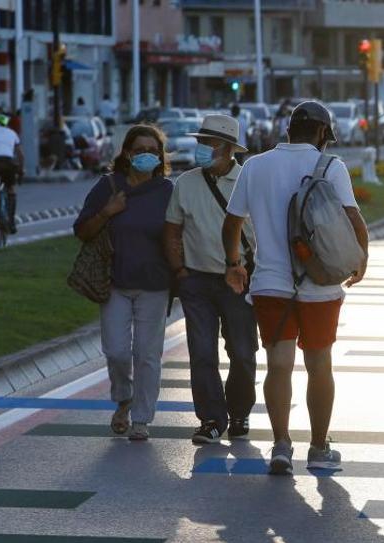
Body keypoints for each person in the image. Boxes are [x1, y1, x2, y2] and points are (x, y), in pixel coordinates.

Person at [222, 100, 368, 474]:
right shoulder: (330, 166)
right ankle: (318, 448)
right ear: (323, 134)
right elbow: (353, 219)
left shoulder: (255, 166)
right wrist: (360, 259)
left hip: (270, 283)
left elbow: (232, 223)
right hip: (319, 283)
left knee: (279, 365)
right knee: (319, 365)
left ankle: (281, 445)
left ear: (287, 131)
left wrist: (234, 264)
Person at [73, 125, 175, 442]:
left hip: (155, 285)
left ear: (160, 157)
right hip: (114, 282)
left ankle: (141, 418)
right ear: (127, 153)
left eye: (152, 151)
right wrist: (107, 211)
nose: (146, 155)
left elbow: (179, 233)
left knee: (147, 354)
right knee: (116, 351)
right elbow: (83, 230)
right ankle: (123, 399)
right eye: (140, 150)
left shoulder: (167, 191)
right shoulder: (109, 186)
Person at [163, 114, 259, 444]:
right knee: (202, 352)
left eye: (211, 143)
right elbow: (172, 230)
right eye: (201, 142)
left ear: (230, 149)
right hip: (197, 282)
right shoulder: (186, 183)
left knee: (243, 352)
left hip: (239, 282)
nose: (203, 148)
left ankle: (240, 411)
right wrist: (180, 271)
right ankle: (211, 419)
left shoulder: (249, 181)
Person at [0, 114, 24, 233]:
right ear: (6, 124)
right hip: (7, 162)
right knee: (11, 189)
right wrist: (21, 170)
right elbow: (20, 155)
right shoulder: (12, 133)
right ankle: (12, 222)